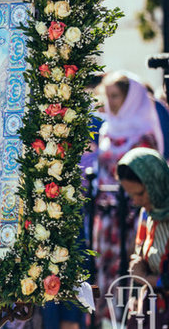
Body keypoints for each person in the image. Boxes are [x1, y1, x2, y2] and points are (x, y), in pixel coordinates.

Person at [94, 72, 164, 322]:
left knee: (131, 274)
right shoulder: (106, 129)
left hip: (134, 213)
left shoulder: (144, 132)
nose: (111, 102)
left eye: (116, 96)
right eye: (108, 96)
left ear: (130, 98)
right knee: (107, 277)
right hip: (106, 214)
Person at [116, 147, 169, 324]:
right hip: (153, 313)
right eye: (131, 196)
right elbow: (139, 257)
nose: (136, 202)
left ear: (156, 184)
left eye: (139, 194)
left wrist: (148, 279)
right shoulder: (148, 214)